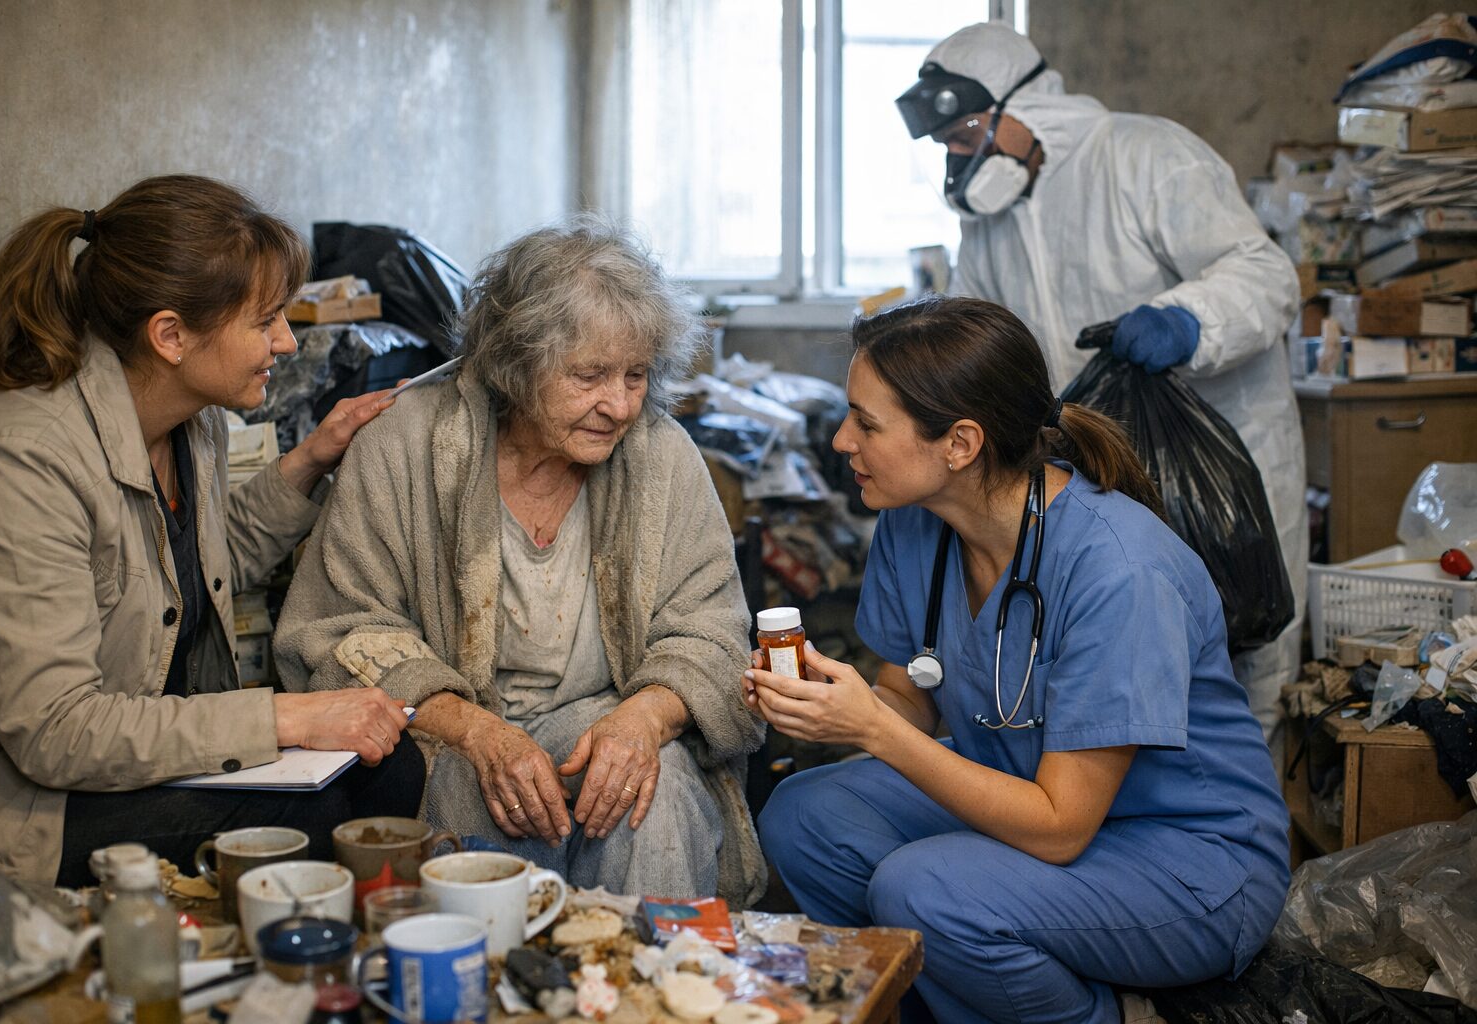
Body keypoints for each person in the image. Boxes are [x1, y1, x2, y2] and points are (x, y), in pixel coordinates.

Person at [748, 297, 1290, 1023]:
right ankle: (942, 1002)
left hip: (1187, 861)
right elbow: (911, 690)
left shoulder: (1119, 568)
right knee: (802, 816)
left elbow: (1062, 824)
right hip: (1023, 797)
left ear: (960, 444)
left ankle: (1102, 1015)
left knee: (925, 888)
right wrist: (829, 706)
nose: (843, 439)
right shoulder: (915, 524)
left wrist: (876, 733)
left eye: (867, 423)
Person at [0, 175, 424, 889]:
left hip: (122, 759)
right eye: (265, 322)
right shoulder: (20, 457)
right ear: (170, 335)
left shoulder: (190, 423)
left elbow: (187, 570)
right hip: (21, 797)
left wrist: (311, 458)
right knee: (295, 833)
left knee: (391, 771)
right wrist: (285, 717)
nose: (286, 343)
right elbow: (55, 733)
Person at [274, 219, 768, 907]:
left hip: (605, 725)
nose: (620, 404)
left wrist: (644, 722)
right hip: (454, 738)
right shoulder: (405, 446)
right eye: (589, 375)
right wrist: (478, 732)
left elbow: (713, 632)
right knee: (472, 835)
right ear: (515, 361)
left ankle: (661, 990)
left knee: (654, 796)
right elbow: (343, 631)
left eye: (636, 375)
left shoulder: (661, 455)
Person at [894, 22, 1306, 746]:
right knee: (1121, 664)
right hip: (1095, 475)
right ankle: (1114, 840)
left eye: (964, 136)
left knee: (1243, 652)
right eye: (948, 146)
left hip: (1217, 462)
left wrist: (1187, 319)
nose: (959, 158)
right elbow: (972, 335)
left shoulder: (1144, 155)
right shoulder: (989, 228)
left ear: (1022, 108)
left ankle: (1241, 836)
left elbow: (1266, 276)